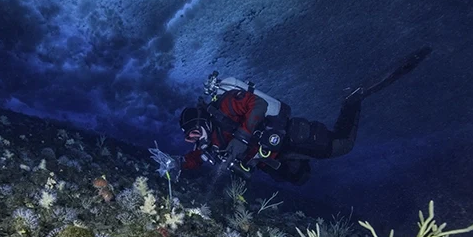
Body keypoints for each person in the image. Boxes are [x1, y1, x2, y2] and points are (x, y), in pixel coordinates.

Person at [173, 46, 432, 185]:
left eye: (193, 132)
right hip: (280, 154)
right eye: (189, 137)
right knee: (300, 178)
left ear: (201, 121)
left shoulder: (226, 107)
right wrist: (177, 165)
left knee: (342, 145)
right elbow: (194, 158)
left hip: (289, 134)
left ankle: (354, 97)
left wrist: (242, 137)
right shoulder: (211, 143)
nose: (193, 139)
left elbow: (258, 105)